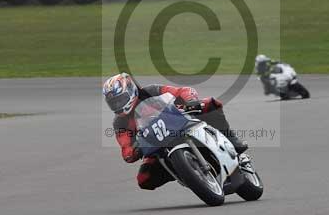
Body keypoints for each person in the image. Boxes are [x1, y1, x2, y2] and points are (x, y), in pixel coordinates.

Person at [103, 73, 248, 190]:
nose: (118, 105)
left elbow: (182, 91)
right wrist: (133, 151)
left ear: (131, 90)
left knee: (211, 103)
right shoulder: (120, 123)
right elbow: (126, 148)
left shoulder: (150, 91)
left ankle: (232, 140)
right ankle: (185, 172)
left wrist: (190, 101)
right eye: (114, 103)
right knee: (144, 180)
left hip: (178, 119)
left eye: (120, 99)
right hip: (156, 145)